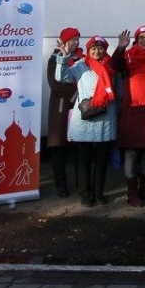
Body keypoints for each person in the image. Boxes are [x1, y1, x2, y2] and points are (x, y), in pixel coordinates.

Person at [55, 35, 117, 207]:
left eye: (100, 48)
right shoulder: (80, 65)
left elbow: (117, 89)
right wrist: (64, 57)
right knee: (83, 160)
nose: (97, 51)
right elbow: (62, 77)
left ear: (105, 49)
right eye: (93, 48)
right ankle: (85, 193)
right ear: (88, 50)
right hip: (85, 118)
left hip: (105, 116)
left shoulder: (111, 67)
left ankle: (99, 192)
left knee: (101, 160)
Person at [111, 25, 145, 207]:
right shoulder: (128, 56)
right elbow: (115, 66)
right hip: (132, 113)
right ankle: (132, 193)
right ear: (137, 40)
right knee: (132, 155)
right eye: (142, 38)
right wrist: (121, 47)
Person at [45, 27, 81, 198]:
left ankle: (81, 183)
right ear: (65, 41)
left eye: (77, 40)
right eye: (73, 40)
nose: (76, 43)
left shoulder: (80, 58)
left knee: (78, 150)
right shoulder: (55, 59)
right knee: (59, 150)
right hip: (62, 108)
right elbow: (56, 84)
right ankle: (61, 185)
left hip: (78, 109)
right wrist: (77, 96)